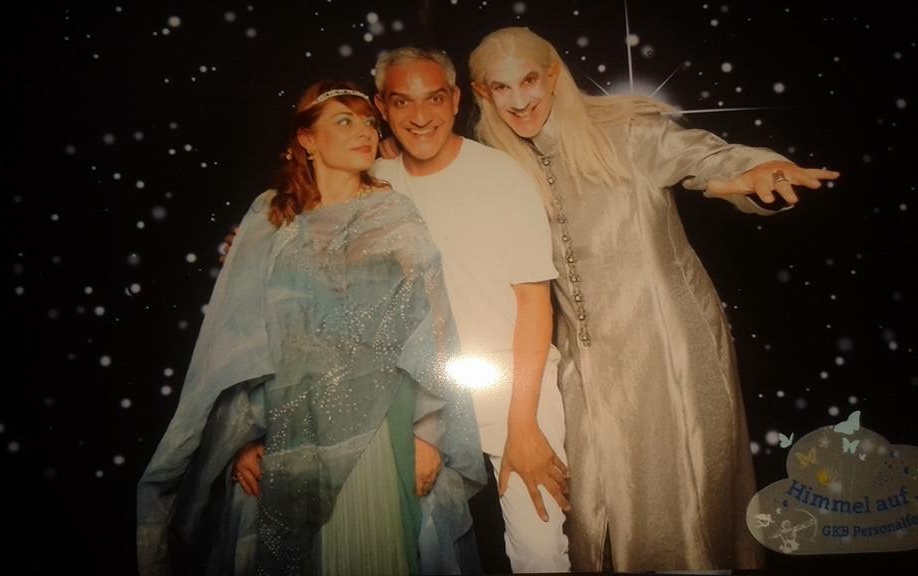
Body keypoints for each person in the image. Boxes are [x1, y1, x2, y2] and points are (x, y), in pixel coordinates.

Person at [467, 27, 840, 573]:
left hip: (671, 348)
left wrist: (755, 172)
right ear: (483, 93)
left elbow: (710, 157)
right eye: (502, 88)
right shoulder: (496, 168)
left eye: (529, 81)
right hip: (585, 363)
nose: (520, 100)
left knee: (687, 506)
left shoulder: (627, 133)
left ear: (552, 76)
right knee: (604, 511)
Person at [137, 80, 485, 576]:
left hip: (376, 426)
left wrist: (430, 435)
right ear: (306, 139)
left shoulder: (395, 215)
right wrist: (240, 441)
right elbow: (238, 341)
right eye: (344, 121)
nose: (365, 132)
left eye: (369, 122)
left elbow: (433, 329)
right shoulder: (269, 218)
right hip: (289, 426)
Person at [370, 47, 572, 573]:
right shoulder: (373, 182)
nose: (420, 116)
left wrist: (523, 425)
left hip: (512, 384)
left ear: (456, 100)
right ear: (382, 107)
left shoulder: (502, 176)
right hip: (417, 393)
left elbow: (535, 304)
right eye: (402, 102)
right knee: (414, 547)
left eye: (434, 99)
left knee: (540, 548)